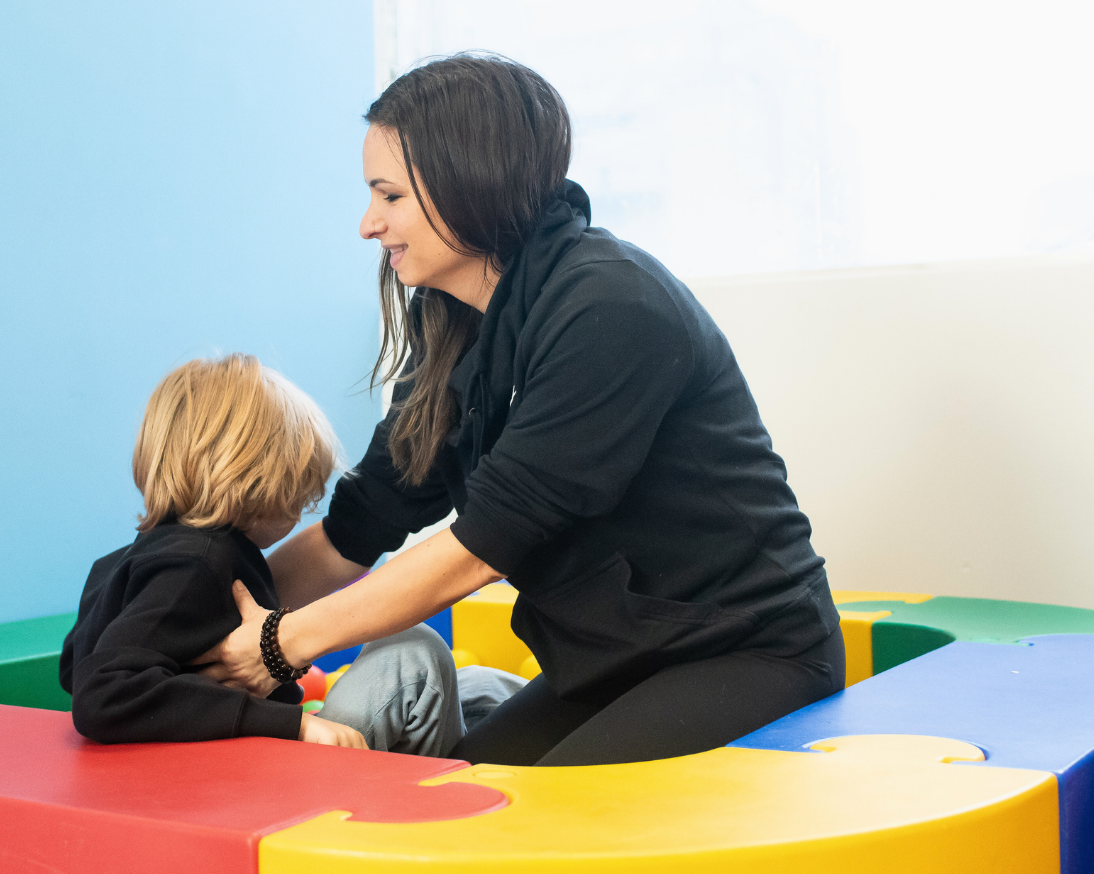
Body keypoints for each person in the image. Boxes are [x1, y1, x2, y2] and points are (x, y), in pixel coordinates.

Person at [195, 54, 846, 767]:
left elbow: (483, 547)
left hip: (744, 651)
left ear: (464, 182)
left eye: (389, 196)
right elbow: (362, 521)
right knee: (463, 791)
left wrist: (278, 643)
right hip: (608, 664)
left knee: (519, 833)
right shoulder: (451, 320)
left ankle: (481, 693)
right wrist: (188, 615)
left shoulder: (611, 309)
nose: (368, 225)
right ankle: (485, 695)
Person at [58, 354, 468, 756]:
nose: (304, 505)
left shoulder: (119, 564)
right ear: (262, 483)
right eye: (300, 491)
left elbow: (74, 670)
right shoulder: (198, 564)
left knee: (479, 685)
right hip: (240, 781)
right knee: (413, 651)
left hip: (220, 765)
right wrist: (294, 723)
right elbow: (102, 694)